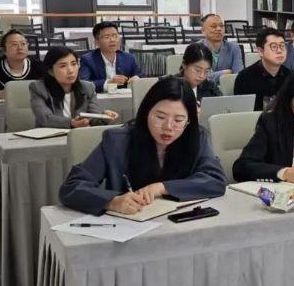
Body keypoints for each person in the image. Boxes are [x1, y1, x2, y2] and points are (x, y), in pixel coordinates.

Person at [59, 77, 227, 215]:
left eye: (178, 120)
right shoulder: (117, 141)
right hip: (129, 229)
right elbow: (72, 186)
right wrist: (112, 201)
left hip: (180, 226)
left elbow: (216, 180)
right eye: (160, 117)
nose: (168, 127)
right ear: (146, 113)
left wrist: (163, 187)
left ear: (188, 121)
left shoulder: (196, 137)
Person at [29, 47, 118, 128]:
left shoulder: (87, 87)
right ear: (51, 71)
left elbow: (93, 117)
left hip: (79, 136)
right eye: (63, 66)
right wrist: (71, 123)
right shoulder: (38, 88)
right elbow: (45, 118)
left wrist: (104, 117)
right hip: (50, 136)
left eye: (74, 64)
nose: (71, 70)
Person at [0, 29, 43, 100]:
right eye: (14, 44)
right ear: (4, 50)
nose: (20, 48)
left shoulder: (38, 66)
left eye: (23, 44)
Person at [233, 27, 291, 110]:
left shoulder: (291, 77)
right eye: (274, 46)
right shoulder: (244, 78)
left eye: (282, 46)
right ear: (261, 51)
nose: (279, 51)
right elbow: (241, 112)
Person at [78, 21, 142, 93]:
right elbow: (83, 84)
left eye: (115, 36)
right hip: (99, 98)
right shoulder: (88, 60)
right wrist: (108, 83)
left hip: (124, 98)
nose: (112, 40)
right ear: (97, 42)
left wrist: (137, 78)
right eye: (107, 37)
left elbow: (140, 75)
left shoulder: (128, 58)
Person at [199, 13, 244, 84]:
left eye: (221, 26)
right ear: (203, 31)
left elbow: (239, 76)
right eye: (214, 26)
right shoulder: (196, 49)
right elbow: (198, 78)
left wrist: (212, 75)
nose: (219, 29)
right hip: (203, 90)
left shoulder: (234, 48)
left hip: (228, 89)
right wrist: (224, 73)